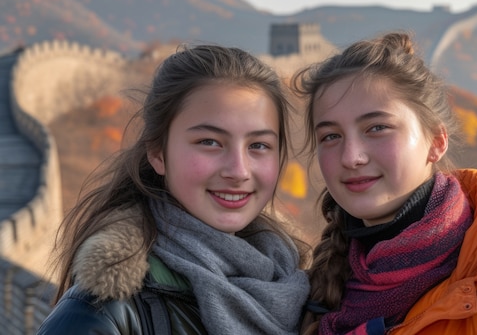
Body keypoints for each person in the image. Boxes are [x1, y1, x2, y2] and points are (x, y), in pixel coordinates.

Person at [292, 32, 477, 335]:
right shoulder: (315, 290)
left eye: (377, 128)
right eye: (331, 136)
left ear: (436, 141)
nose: (351, 157)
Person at [37, 44, 310, 335]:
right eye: (209, 142)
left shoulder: (297, 289)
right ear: (157, 153)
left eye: (258, 146)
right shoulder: (101, 317)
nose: (238, 171)